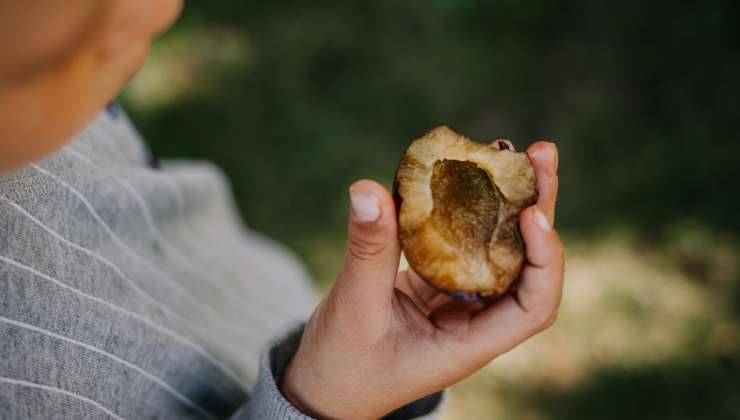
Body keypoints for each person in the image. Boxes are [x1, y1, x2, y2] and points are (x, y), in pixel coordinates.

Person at [0, 1, 565, 419]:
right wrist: (327, 404)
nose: (156, 10)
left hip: (240, 297)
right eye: (71, 45)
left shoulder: (45, 108)